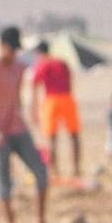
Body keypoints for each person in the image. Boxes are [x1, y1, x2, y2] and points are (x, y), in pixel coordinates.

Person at [0, 26, 51, 223]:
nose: (13, 53)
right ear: (2, 46)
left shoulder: (19, 67)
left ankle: (40, 222)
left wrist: (24, 118)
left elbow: (17, 98)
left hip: (17, 126)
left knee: (41, 172)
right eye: (10, 49)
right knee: (3, 178)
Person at [28, 41, 80, 179]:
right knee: (74, 135)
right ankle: (76, 168)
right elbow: (70, 79)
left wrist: (33, 111)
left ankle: (54, 170)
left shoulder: (42, 64)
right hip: (67, 98)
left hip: (52, 100)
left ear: (39, 53)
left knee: (52, 137)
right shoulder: (61, 62)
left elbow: (34, 86)